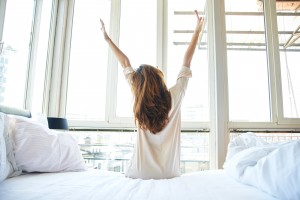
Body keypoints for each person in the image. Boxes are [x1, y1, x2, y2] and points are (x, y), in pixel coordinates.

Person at [100, 10, 204, 179]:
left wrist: (106, 38)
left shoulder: (139, 97)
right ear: (158, 78)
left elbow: (125, 62)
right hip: (169, 173)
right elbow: (187, 61)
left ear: (139, 85)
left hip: (140, 173)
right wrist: (197, 31)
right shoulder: (175, 96)